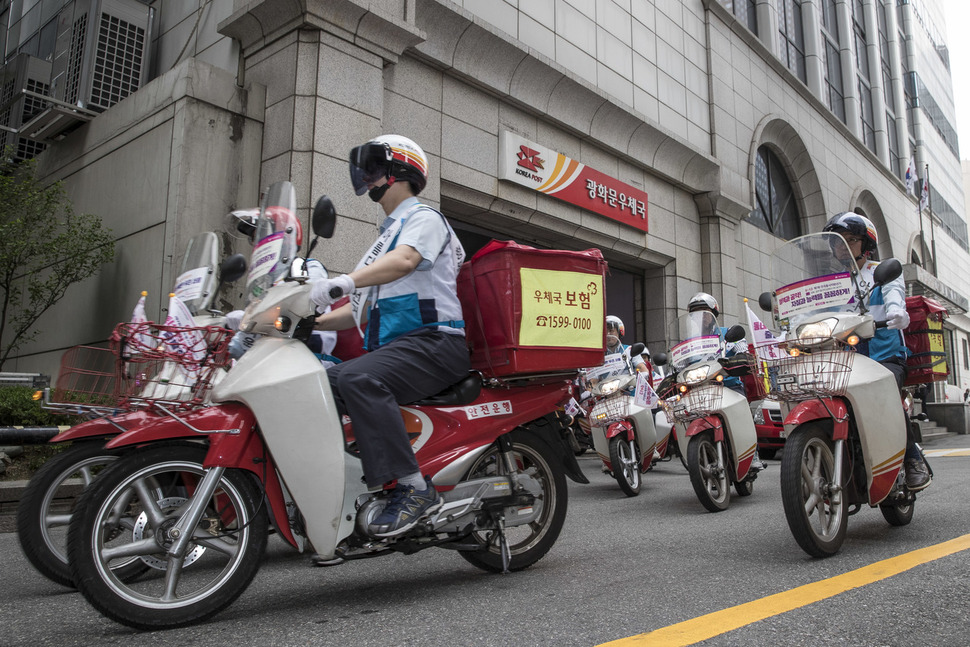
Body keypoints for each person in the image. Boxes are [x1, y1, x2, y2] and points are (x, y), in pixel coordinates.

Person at [310, 134, 470, 537]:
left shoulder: (424, 221)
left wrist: (341, 281)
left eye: (373, 166)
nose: (365, 176)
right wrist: (307, 322)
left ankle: (413, 488)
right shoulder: (390, 231)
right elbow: (358, 310)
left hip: (436, 343)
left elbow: (405, 261)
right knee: (312, 383)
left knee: (357, 376)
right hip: (403, 347)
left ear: (399, 171)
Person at [822, 211, 930, 491]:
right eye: (836, 241)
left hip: (885, 356)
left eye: (850, 239)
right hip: (847, 361)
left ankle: (912, 459)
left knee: (886, 395)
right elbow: (814, 313)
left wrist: (897, 312)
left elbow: (894, 293)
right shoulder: (832, 284)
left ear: (865, 243)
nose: (841, 246)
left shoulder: (881, 271)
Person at [687, 292, 766, 471]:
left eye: (705, 312)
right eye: (696, 313)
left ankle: (753, 455)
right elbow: (679, 364)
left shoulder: (728, 334)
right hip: (701, 389)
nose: (701, 317)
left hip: (729, 385)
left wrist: (741, 357)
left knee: (743, 413)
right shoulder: (689, 344)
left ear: (714, 314)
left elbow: (742, 350)